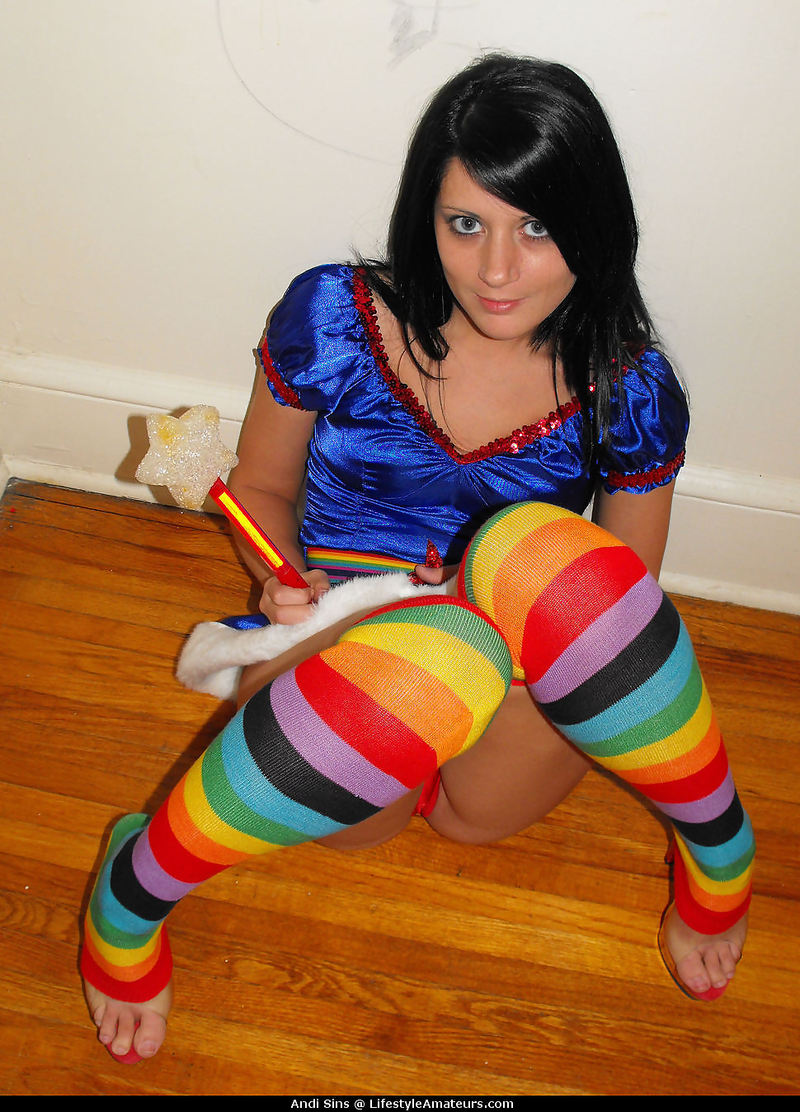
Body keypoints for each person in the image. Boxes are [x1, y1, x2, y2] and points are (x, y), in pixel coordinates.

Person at [81, 54, 753, 1063]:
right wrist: (280, 576)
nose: (496, 270)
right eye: (465, 223)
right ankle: (131, 891)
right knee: (420, 695)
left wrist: (512, 619)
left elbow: (617, 597)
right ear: (424, 216)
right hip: (343, 644)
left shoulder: (627, 383)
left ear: (594, 225)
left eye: (536, 227)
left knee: (523, 581)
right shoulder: (335, 320)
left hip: (510, 659)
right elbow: (260, 487)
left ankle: (720, 848)